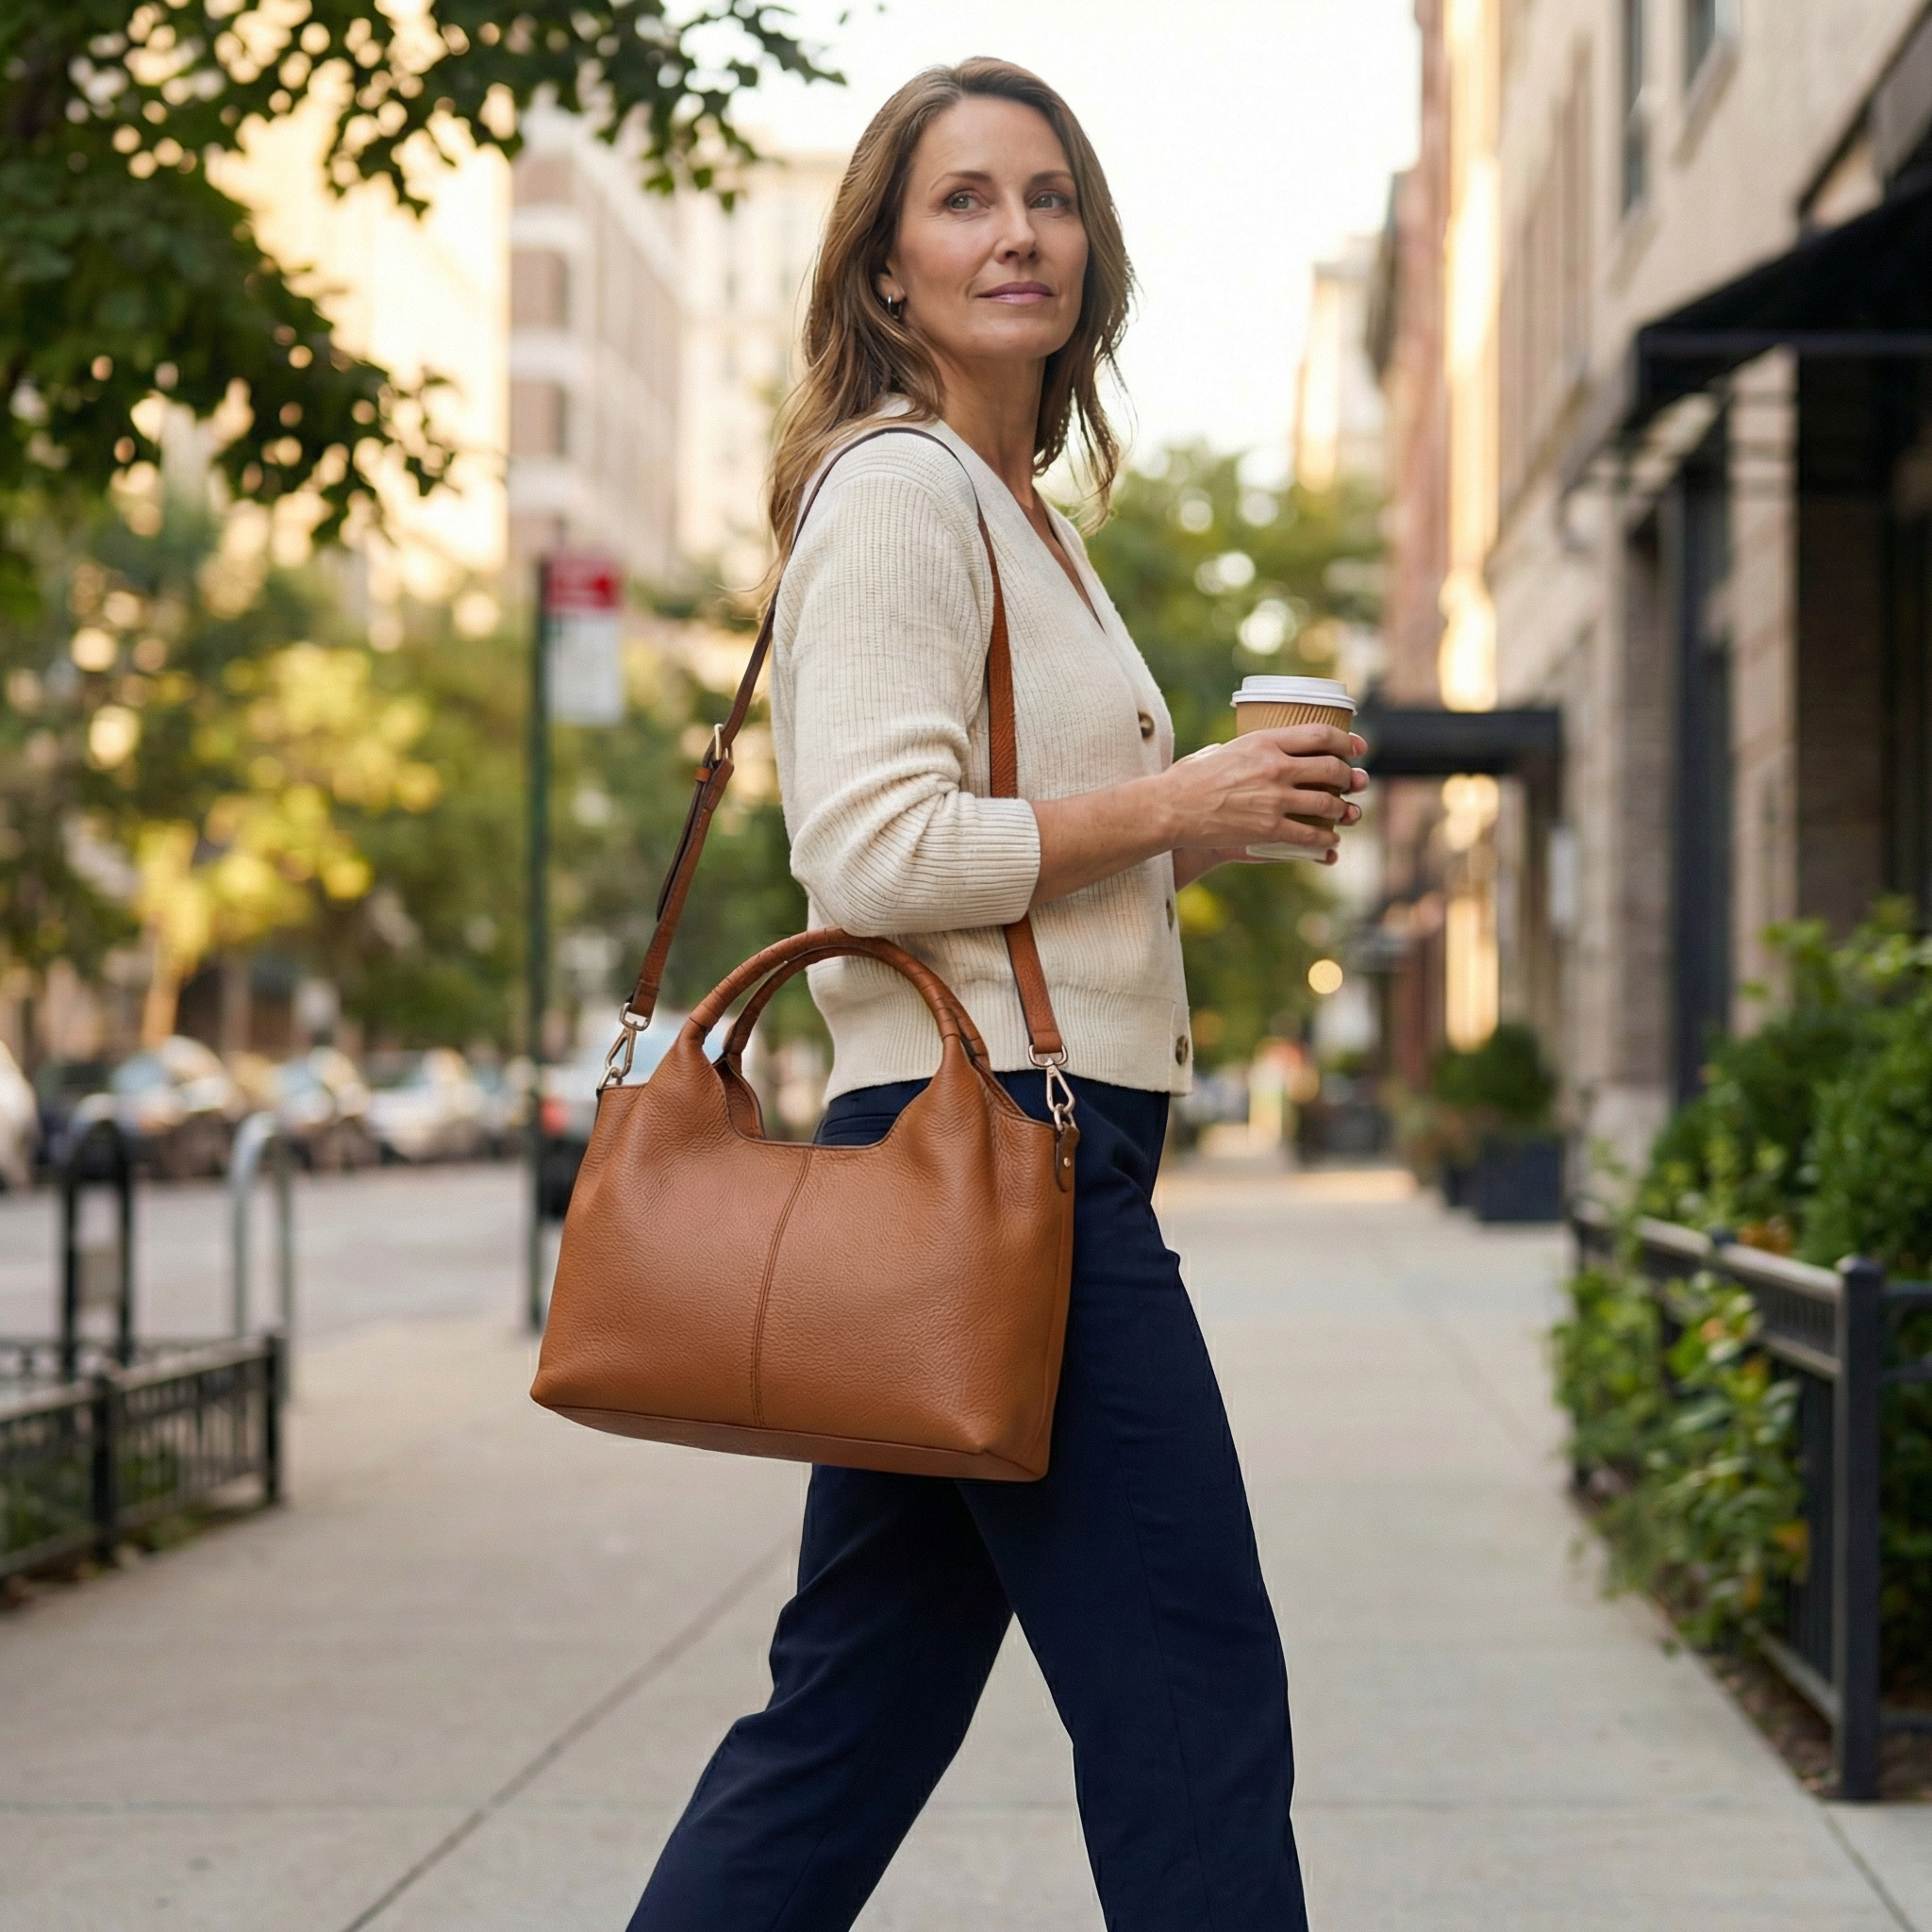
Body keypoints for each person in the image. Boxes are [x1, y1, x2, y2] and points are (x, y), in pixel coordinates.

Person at [629, 57, 1366, 1932]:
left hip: (982, 1155)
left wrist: (1199, 832)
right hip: (1003, 1164)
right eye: (961, 198)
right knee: (1194, 1707)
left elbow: (1003, 842)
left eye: (1047, 194)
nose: (1016, 230)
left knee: (852, 1713)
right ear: (884, 269)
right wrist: (1171, 797)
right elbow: (872, 857)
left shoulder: (1018, 506)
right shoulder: (896, 485)